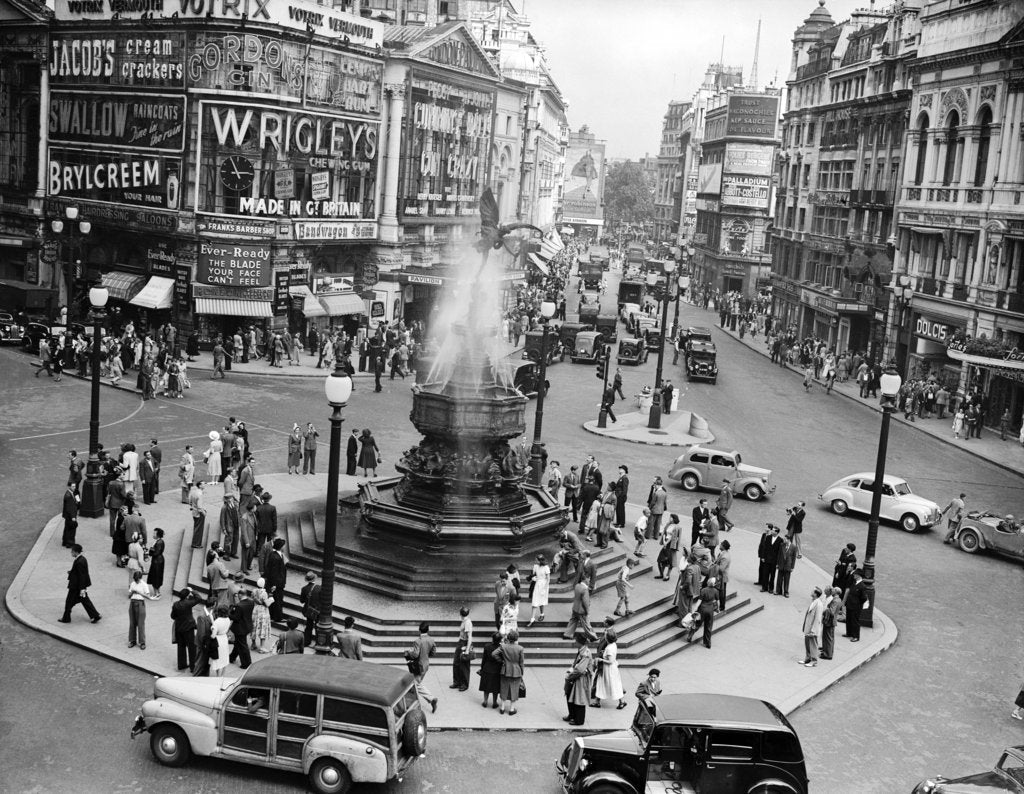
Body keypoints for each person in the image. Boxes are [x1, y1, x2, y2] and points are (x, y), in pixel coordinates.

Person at [59, 544, 101, 624]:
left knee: (69, 601)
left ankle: (66, 618)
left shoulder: (79, 562)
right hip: (79, 586)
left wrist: (82, 588)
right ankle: (95, 615)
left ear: (75, 552)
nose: (71, 553)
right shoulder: (82, 559)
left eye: (72, 552)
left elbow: (82, 576)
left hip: (76, 587)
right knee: (85, 601)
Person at [405, 622, 438, 714]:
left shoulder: (418, 641)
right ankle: (412, 701)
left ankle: (431, 699)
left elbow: (415, 654)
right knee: (416, 683)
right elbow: (433, 652)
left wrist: (408, 652)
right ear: (428, 630)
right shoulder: (431, 640)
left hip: (418, 666)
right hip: (426, 665)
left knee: (415, 684)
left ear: (419, 630)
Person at [564, 632, 595, 726]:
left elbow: (580, 670)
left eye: (576, 641)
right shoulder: (581, 650)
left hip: (581, 679)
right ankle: (572, 715)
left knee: (579, 699)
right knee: (570, 696)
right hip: (576, 677)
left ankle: (579, 720)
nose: (575, 642)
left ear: (580, 642)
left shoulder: (585, 653)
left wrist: (570, 675)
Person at [593, 627, 627, 709]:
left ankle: (621, 702)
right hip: (609, 669)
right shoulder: (613, 645)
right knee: (602, 684)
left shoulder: (609, 648)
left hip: (609, 670)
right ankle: (597, 701)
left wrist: (601, 659)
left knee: (613, 685)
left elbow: (610, 661)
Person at [494, 630, 525, 715]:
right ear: (516, 639)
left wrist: (501, 661)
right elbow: (521, 662)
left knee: (504, 687)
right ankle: (511, 709)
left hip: (505, 669)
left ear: (508, 638)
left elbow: (494, 654)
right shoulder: (520, 648)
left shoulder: (503, 646)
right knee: (514, 689)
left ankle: (502, 707)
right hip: (516, 670)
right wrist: (522, 672)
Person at [127, 569, 159, 650]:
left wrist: (138, 592)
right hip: (132, 603)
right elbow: (129, 596)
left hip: (140, 603)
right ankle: (132, 640)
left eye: (137, 579)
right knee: (132, 623)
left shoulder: (144, 585)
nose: (136, 581)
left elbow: (148, 596)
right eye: (135, 579)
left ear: (140, 578)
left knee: (140, 624)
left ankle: (142, 642)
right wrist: (132, 592)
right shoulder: (132, 584)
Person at [171, 588, 199, 671]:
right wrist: (192, 591)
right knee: (192, 648)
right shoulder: (188, 603)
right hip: (188, 628)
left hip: (179, 628)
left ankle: (181, 664)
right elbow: (198, 598)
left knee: (181, 647)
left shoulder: (176, 604)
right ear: (187, 596)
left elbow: (172, 616)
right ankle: (193, 667)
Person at [228, 588, 255, 670]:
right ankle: (231, 657)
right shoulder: (251, 602)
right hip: (247, 626)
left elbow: (235, 618)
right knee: (238, 643)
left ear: (240, 595)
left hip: (240, 628)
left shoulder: (239, 606)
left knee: (243, 646)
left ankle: (246, 663)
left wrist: (229, 612)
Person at [449, 607, 473, 691]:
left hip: (465, 643)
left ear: (460, 614)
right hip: (461, 641)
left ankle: (464, 684)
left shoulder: (467, 623)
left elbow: (469, 637)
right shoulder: (464, 621)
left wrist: (467, 649)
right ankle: (457, 682)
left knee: (464, 665)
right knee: (456, 662)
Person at [265, 537, 288, 622]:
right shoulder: (276, 557)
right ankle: (278, 617)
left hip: (278, 582)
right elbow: (274, 572)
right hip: (277, 583)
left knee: (276, 599)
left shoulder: (275, 554)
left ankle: (274, 616)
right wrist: (274, 584)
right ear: (281, 547)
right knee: (278, 600)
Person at [478, 632, 503, 709]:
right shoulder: (501, 648)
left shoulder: (487, 646)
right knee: (495, 687)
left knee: (486, 686)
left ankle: (485, 701)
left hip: (487, 668)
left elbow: (484, 659)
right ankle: (494, 702)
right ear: (500, 640)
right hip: (497, 669)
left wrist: (482, 668)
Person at [693, 576, 719, 649]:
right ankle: (708, 643)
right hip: (710, 610)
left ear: (708, 582)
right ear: (714, 584)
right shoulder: (716, 591)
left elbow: (699, 601)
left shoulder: (703, 590)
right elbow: (717, 602)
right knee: (708, 627)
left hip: (702, 609)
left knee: (697, 624)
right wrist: (717, 609)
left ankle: (690, 636)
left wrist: (695, 608)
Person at [801, 587, 824, 667]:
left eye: (812, 591)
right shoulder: (814, 601)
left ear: (815, 594)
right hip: (808, 627)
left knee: (813, 644)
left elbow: (818, 618)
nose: (811, 592)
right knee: (807, 643)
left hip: (813, 629)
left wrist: (813, 630)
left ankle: (814, 660)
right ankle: (808, 658)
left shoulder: (819, 604)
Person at [844, 570, 869, 642]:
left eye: (855, 574)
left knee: (855, 621)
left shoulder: (862, 586)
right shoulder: (854, 583)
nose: (854, 575)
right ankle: (849, 633)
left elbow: (864, 598)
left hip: (856, 607)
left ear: (858, 575)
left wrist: (857, 603)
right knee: (849, 619)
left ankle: (856, 636)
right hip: (850, 604)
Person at [299, 571, 321, 647]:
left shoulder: (304, 589)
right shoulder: (319, 588)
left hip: (308, 610)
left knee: (309, 626)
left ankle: (307, 641)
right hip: (317, 610)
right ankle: (318, 643)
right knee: (318, 626)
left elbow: (301, 601)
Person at [251, 577, 272, 654]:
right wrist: (271, 598)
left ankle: (253, 644)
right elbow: (267, 604)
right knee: (262, 627)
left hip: (255, 609)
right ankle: (262, 647)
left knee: (254, 626)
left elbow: (255, 599)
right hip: (263, 612)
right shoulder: (264, 593)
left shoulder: (254, 591)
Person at [821, 587, 843, 660]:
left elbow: (831, 611)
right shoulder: (838, 599)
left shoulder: (835, 600)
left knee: (828, 638)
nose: (832, 591)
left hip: (830, 621)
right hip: (832, 621)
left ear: (836, 592)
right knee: (830, 638)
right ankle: (827, 652)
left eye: (833, 590)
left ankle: (827, 654)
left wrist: (824, 610)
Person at [758, 524, 782, 592]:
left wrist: (778, 562)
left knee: (772, 575)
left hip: (774, 561)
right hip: (767, 559)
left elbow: (779, 552)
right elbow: (764, 548)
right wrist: (762, 556)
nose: (772, 531)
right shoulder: (768, 537)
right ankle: (764, 587)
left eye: (773, 531)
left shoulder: (780, 540)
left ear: (776, 532)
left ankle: (771, 588)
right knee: (765, 574)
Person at [528, 553, 550, 626]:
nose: (535, 560)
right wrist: (532, 578)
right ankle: (532, 619)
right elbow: (533, 574)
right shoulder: (535, 566)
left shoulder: (546, 567)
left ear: (540, 560)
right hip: (537, 584)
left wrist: (545, 588)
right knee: (535, 601)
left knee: (541, 601)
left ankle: (542, 614)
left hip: (543, 585)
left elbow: (548, 579)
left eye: (536, 560)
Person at [775, 533, 797, 598]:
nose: (783, 540)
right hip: (781, 564)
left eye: (785, 539)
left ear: (788, 539)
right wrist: (777, 564)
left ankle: (786, 592)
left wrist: (792, 567)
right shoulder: (782, 545)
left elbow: (794, 558)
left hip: (788, 566)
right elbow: (779, 555)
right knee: (779, 579)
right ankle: (778, 591)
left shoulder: (793, 547)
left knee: (787, 580)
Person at [146, 528, 165, 596]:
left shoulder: (159, 542)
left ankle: (156, 593)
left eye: (154, 533)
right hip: (158, 560)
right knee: (157, 577)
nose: (153, 534)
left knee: (155, 577)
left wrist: (149, 553)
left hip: (157, 562)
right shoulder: (159, 541)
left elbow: (156, 552)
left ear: (158, 535)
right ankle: (157, 592)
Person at [189, 481, 207, 549]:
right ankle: (196, 543)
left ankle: (195, 542)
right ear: (199, 486)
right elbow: (199, 507)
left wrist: (192, 507)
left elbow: (190, 501)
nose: (204, 485)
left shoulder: (194, 492)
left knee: (196, 528)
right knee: (199, 529)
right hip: (199, 513)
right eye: (203, 484)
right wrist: (204, 513)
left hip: (194, 512)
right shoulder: (200, 494)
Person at [715, 539, 731, 611]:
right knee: (721, 591)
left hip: (722, 577)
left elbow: (721, 569)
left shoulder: (725, 557)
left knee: (722, 592)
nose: (720, 545)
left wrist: (714, 566)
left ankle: (722, 606)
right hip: (720, 576)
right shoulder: (723, 553)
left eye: (721, 544)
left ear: (723, 546)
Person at [61, 484, 79, 548]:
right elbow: (70, 508)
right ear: (70, 487)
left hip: (68, 515)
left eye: (75, 486)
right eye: (73, 486)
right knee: (71, 530)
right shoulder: (68, 496)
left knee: (67, 528)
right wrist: (73, 517)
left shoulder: (70, 493)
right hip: (70, 516)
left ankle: (65, 542)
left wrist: (76, 502)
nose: (74, 487)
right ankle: (69, 543)